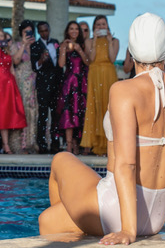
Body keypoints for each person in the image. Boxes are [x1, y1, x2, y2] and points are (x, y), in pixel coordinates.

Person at [39, 12, 165, 244]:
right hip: (155, 218)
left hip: (117, 211)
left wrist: (128, 230)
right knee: (48, 220)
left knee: (61, 159)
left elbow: (127, 164)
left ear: (131, 50)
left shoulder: (123, 90)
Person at [80, 15, 121, 156]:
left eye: (103, 24)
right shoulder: (89, 41)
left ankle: (109, 143)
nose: (101, 27)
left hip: (109, 74)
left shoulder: (115, 41)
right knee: (95, 107)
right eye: (98, 25)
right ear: (94, 27)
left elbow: (113, 58)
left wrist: (109, 41)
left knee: (109, 107)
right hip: (95, 74)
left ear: (108, 26)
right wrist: (95, 40)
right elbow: (91, 59)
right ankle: (96, 144)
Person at [55, 21, 89, 155]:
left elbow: (88, 62)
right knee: (68, 112)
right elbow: (61, 64)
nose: (74, 31)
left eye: (76, 29)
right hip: (69, 82)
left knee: (80, 113)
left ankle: (77, 143)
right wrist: (63, 49)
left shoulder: (84, 44)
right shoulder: (63, 45)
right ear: (67, 31)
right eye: (71, 29)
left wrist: (79, 50)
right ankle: (69, 145)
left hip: (81, 83)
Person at [9, 22, 38, 155]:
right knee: (22, 111)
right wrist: (24, 45)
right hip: (21, 81)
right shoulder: (16, 46)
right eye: (26, 31)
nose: (28, 34)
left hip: (33, 82)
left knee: (33, 112)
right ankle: (19, 145)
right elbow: (15, 61)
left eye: (30, 31)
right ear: (21, 33)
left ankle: (31, 143)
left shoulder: (37, 46)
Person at [32, 21, 62, 153]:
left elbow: (60, 63)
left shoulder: (56, 42)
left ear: (49, 30)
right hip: (43, 84)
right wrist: (41, 60)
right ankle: (42, 144)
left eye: (46, 30)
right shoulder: (35, 45)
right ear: (38, 32)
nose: (44, 33)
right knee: (43, 115)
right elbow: (35, 67)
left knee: (56, 114)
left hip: (56, 83)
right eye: (42, 31)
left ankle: (55, 143)